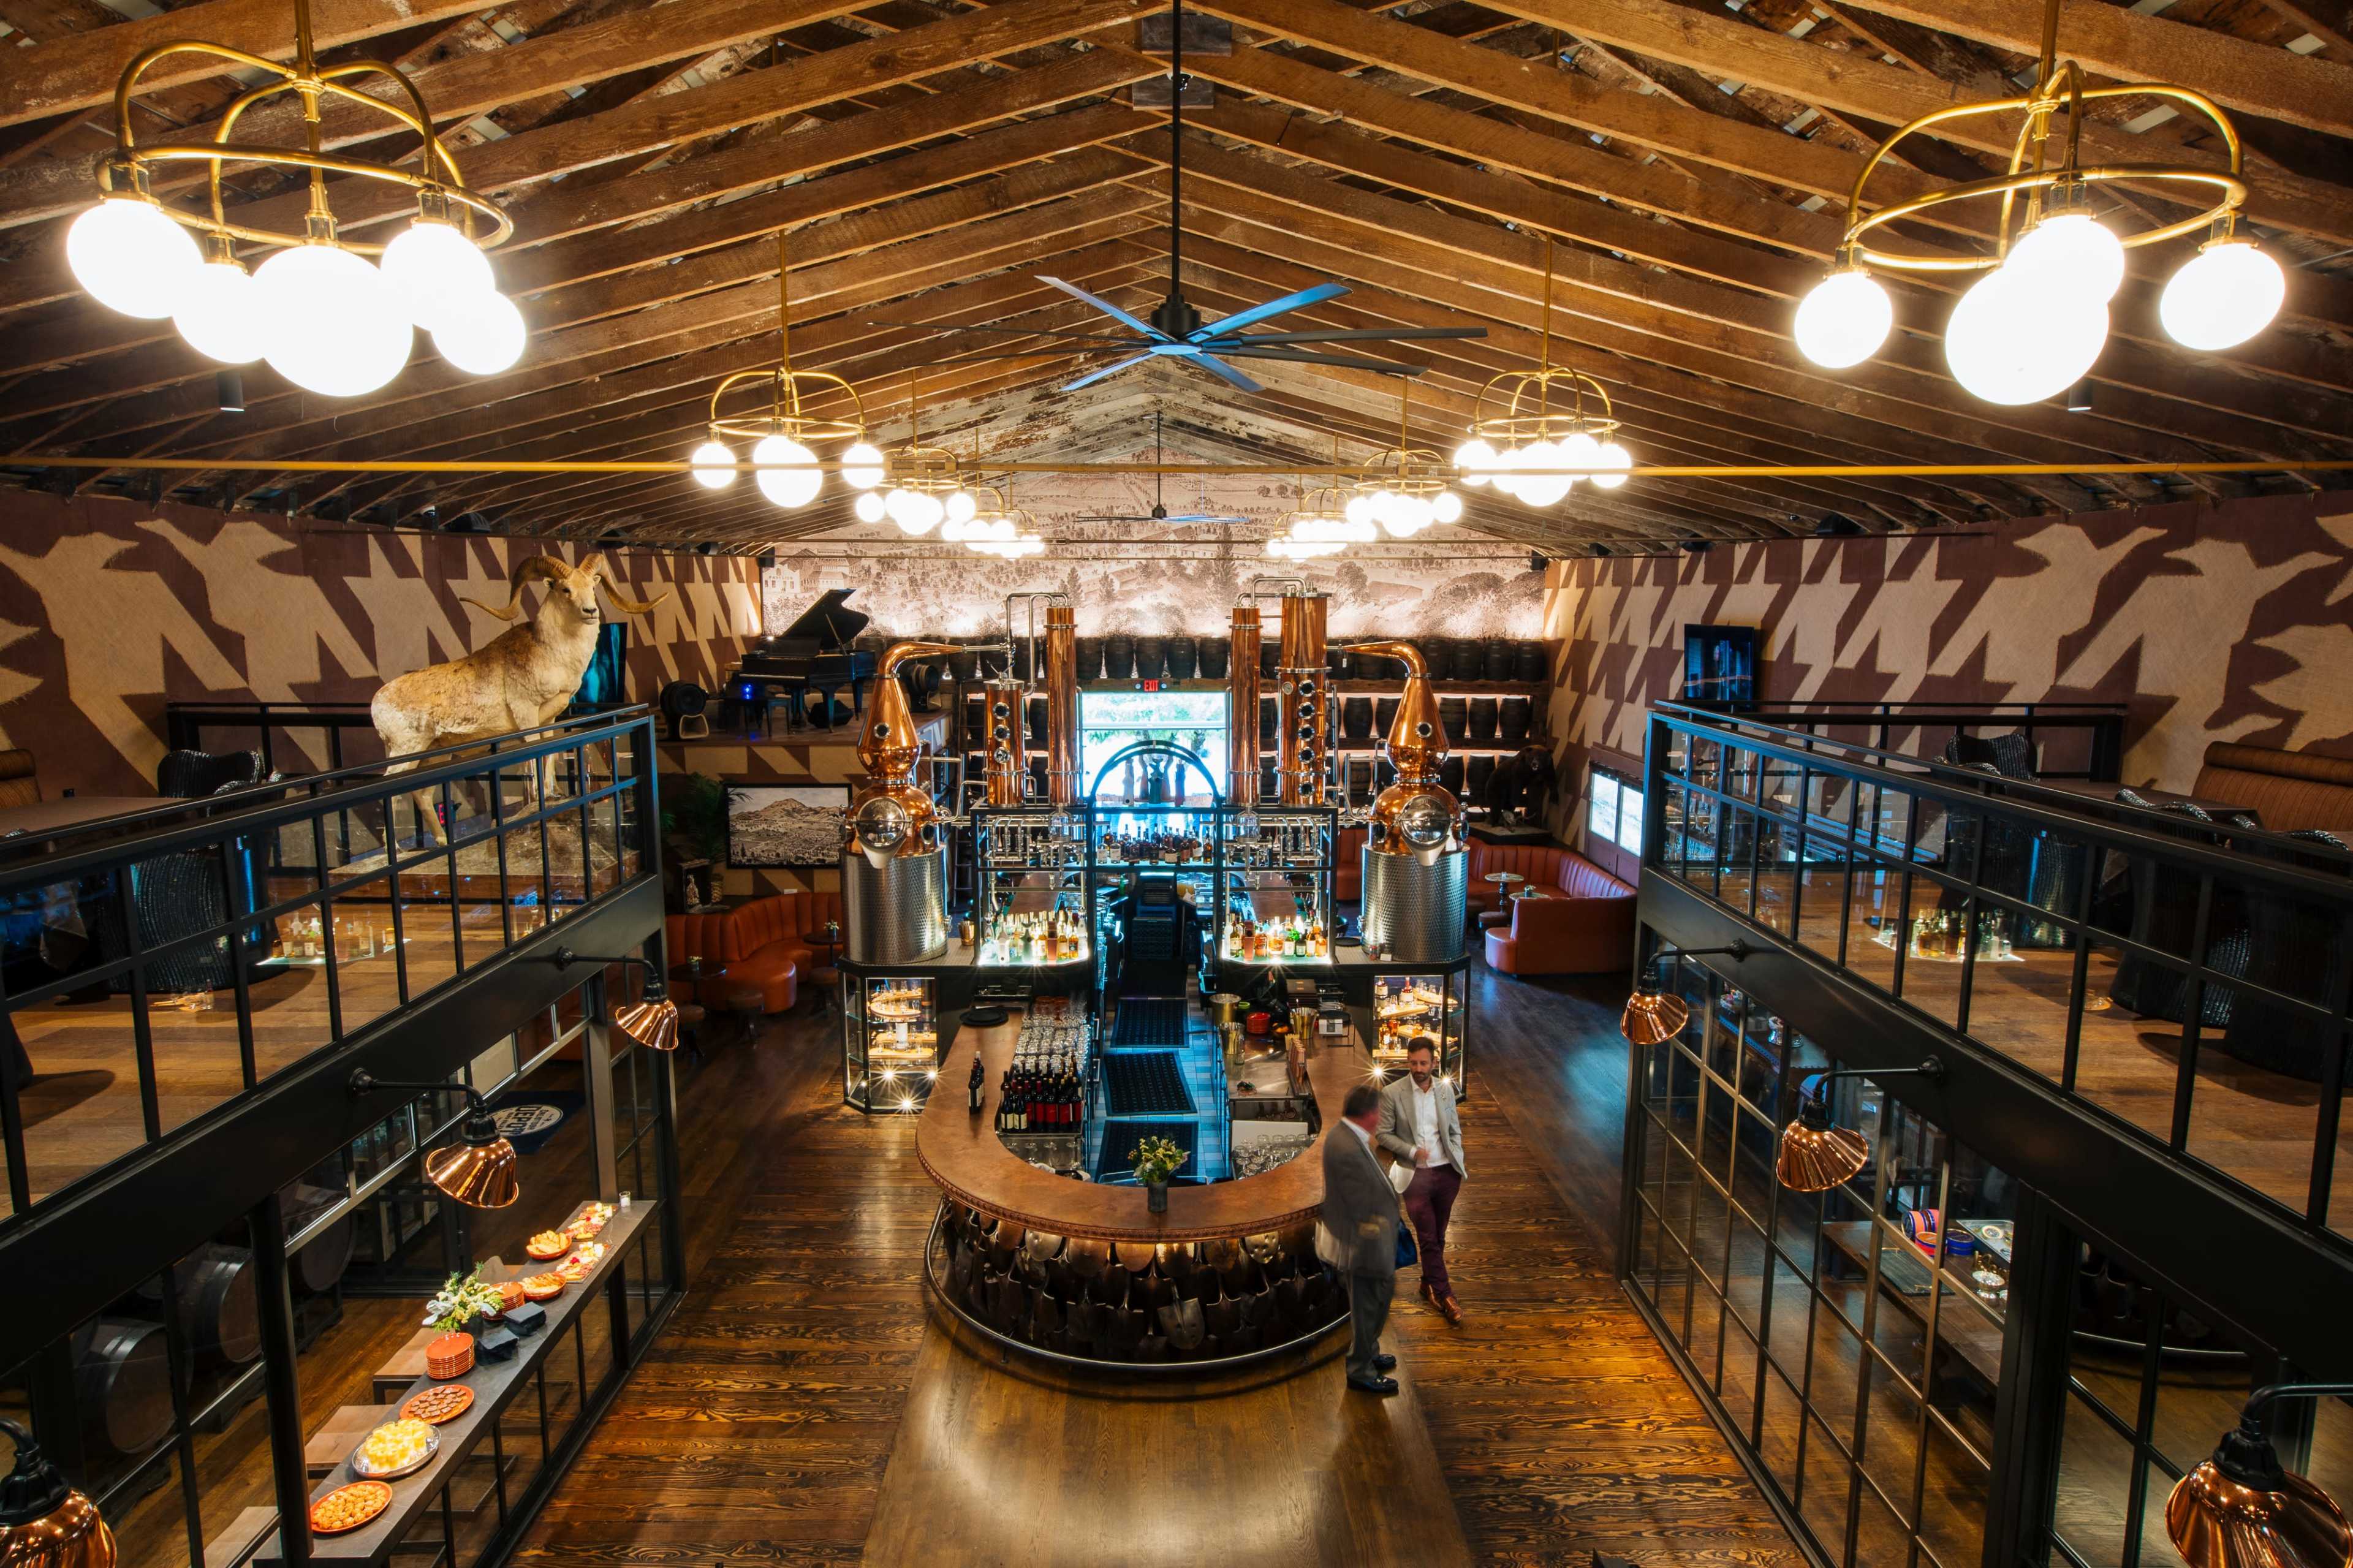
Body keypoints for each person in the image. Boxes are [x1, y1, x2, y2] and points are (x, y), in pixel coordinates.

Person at [1318, 1080, 1401, 1394]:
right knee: (1368, 1308)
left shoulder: (1350, 1136)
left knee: (1375, 1303)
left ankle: (1369, 1354)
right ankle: (1361, 1370)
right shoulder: (1346, 1148)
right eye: (1378, 1112)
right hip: (1365, 1246)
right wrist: (1377, 1237)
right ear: (1368, 1114)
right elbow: (1358, 1205)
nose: (1380, 1117)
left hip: (1373, 1242)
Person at [1377, 1036, 1467, 1325]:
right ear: (1408, 1061)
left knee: (1439, 1236)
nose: (1418, 1068)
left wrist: (1458, 1156)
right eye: (1413, 1063)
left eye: (1424, 1063)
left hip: (1446, 1173)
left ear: (1434, 1062)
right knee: (1428, 1237)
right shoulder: (1392, 1093)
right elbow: (1382, 1134)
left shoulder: (1445, 1091)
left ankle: (1427, 1283)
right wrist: (1413, 1151)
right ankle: (1446, 1294)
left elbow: (1454, 1130)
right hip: (1414, 1175)